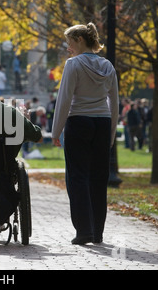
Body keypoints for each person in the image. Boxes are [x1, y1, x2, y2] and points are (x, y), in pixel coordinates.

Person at [51, 23, 119, 245]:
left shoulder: (73, 65)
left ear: (80, 39)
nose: (68, 48)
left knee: (77, 177)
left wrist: (56, 131)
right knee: (99, 178)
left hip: (78, 121)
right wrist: (110, 133)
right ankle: (97, 231)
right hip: (102, 122)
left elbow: (65, 99)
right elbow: (114, 102)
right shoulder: (108, 66)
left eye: (70, 43)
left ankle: (84, 230)